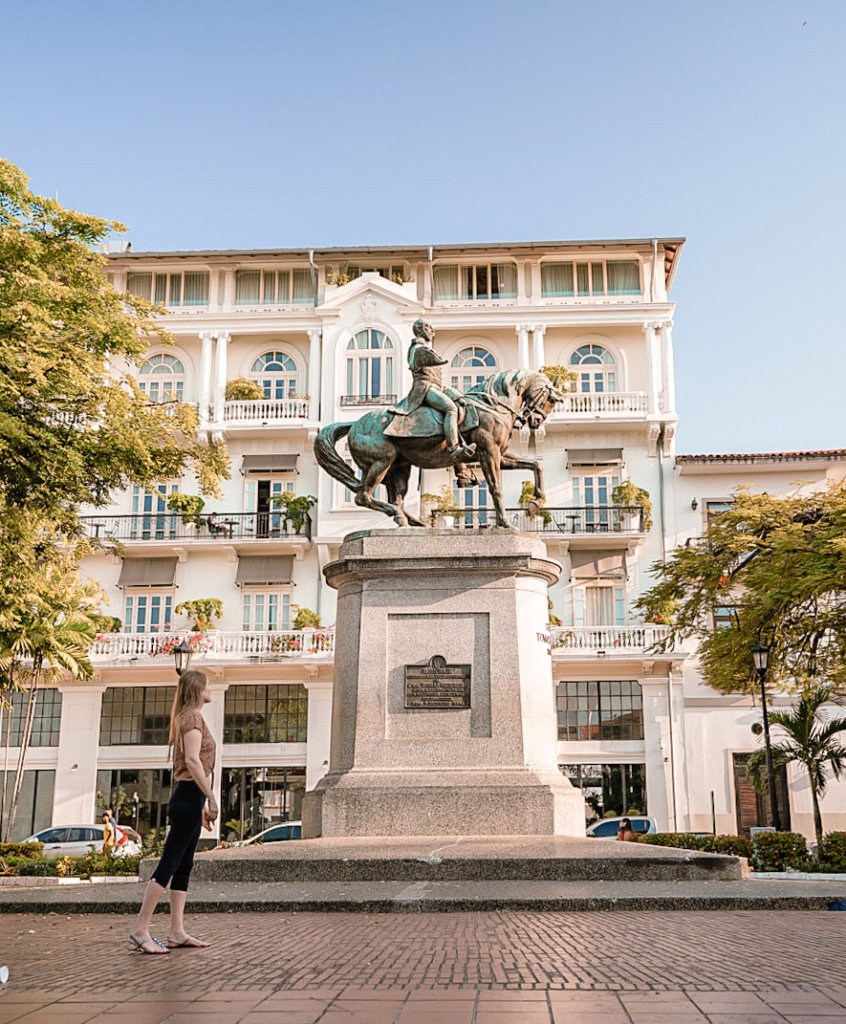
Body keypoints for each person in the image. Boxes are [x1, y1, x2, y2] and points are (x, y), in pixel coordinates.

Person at [129, 670, 218, 954]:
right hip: (188, 796)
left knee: (184, 865)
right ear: (198, 689)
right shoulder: (192, 717)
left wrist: (200, 805)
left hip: (189, 799)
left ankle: (177, 932)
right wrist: (211, 797)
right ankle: (141, 929)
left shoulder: (189, 716)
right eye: (207, 685)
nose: (211, 689)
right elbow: (193, 761)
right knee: (169, 863)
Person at [388, 319, 476, 460]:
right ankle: (453, 448)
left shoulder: (424, 348)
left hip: (436, 387)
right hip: (425, 388)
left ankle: (462, 468)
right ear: (419, 329)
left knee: (461, 403)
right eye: (428, 328)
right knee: (450, 409)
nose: (432, 331)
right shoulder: (417, 347)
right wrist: (423, 357)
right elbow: (413, 363)